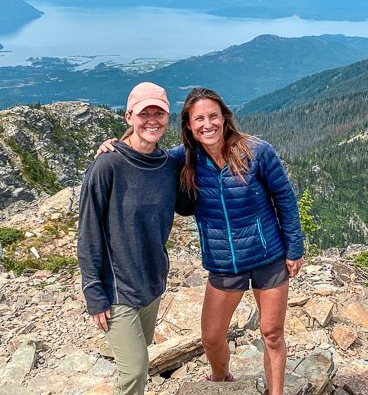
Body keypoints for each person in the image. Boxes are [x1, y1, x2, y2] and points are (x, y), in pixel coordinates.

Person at [97, 87, 304, 395]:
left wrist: (294, 248)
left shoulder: (257, 151)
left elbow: (284, 198)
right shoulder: (182, 159)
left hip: (268, 256)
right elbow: (146, 158)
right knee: (211, 338)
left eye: (213, 116)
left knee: (272, 333)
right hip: (223, 264)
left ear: (224, 118)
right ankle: (222, 381)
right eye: (199, 119)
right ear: (189, 126)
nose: (207, 125)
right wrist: (115, 146)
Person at [78, 82, 181, 395]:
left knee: (140, 352)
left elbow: (189, 203)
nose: (151, 120)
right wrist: (94, 293)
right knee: (136, 370)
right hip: (116, 286)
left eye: (158, 113)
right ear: (128, 117)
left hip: (151, 281)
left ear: (167, 117)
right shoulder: (107, 164)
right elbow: (88, 232)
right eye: (143, 113)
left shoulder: (169, 165)